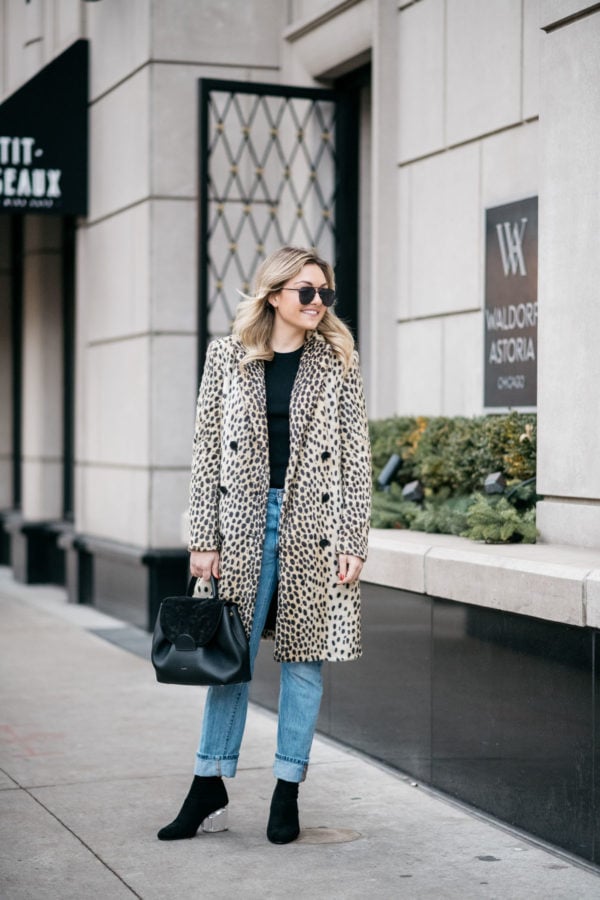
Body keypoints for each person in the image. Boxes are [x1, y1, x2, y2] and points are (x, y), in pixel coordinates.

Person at [157, 245, 372, 844]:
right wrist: (203, 536)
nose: (317, 303)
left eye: (325, 293)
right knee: (230, 660)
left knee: (304, 664)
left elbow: (356, 456)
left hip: (315, 526)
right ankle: (208, 783)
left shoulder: (336, 363)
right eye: (306, 291)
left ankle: (287, 790)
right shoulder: (227, 357)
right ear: (274, 293)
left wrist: (354, 538)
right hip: (243, 524)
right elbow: (204, 451)